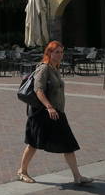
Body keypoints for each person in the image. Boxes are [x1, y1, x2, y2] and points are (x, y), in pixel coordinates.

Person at [16, 41, 94, 186]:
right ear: (49, 53)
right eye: (56, 52)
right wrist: (49, 107)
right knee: (33, 143)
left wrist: (53, 109)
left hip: (57, 113)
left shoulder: (54, 68)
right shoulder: (44, 68)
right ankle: (22, 171)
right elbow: (38, 90)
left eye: (61, 52)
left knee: (68, 143)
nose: (59, 55)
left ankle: (77, 176)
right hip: (42, 113)